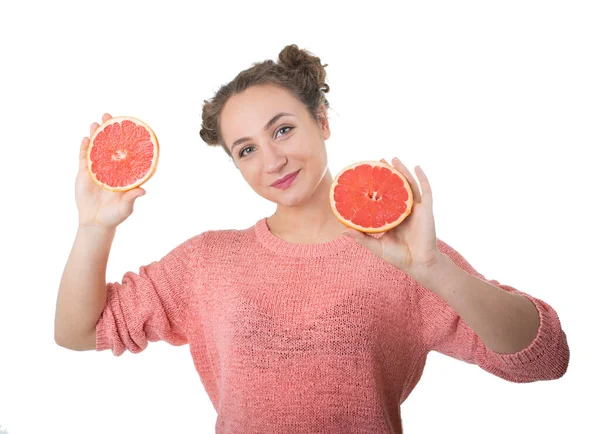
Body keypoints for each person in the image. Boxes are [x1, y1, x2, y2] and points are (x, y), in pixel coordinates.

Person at [54, 44, 570, 434]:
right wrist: (94, 228)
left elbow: (544, 357)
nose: (272, 160)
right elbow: (78, 332)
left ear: (321, 121)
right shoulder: (208, 260)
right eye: (246, 150)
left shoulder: (405, 255)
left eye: (282, 130)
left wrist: (434, 270)